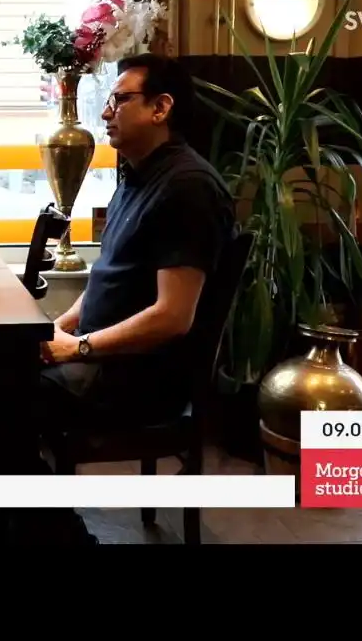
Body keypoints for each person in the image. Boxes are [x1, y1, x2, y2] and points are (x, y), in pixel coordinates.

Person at [38, 52, 235, 436]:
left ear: (160, 108)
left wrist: (77, 347)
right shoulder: (137, 179)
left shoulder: (188, 188)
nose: (106, 114)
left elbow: (172, 316)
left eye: (120, 100)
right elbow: (108, 277)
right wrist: (58, 329)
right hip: (101, 359)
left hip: (137, 381)